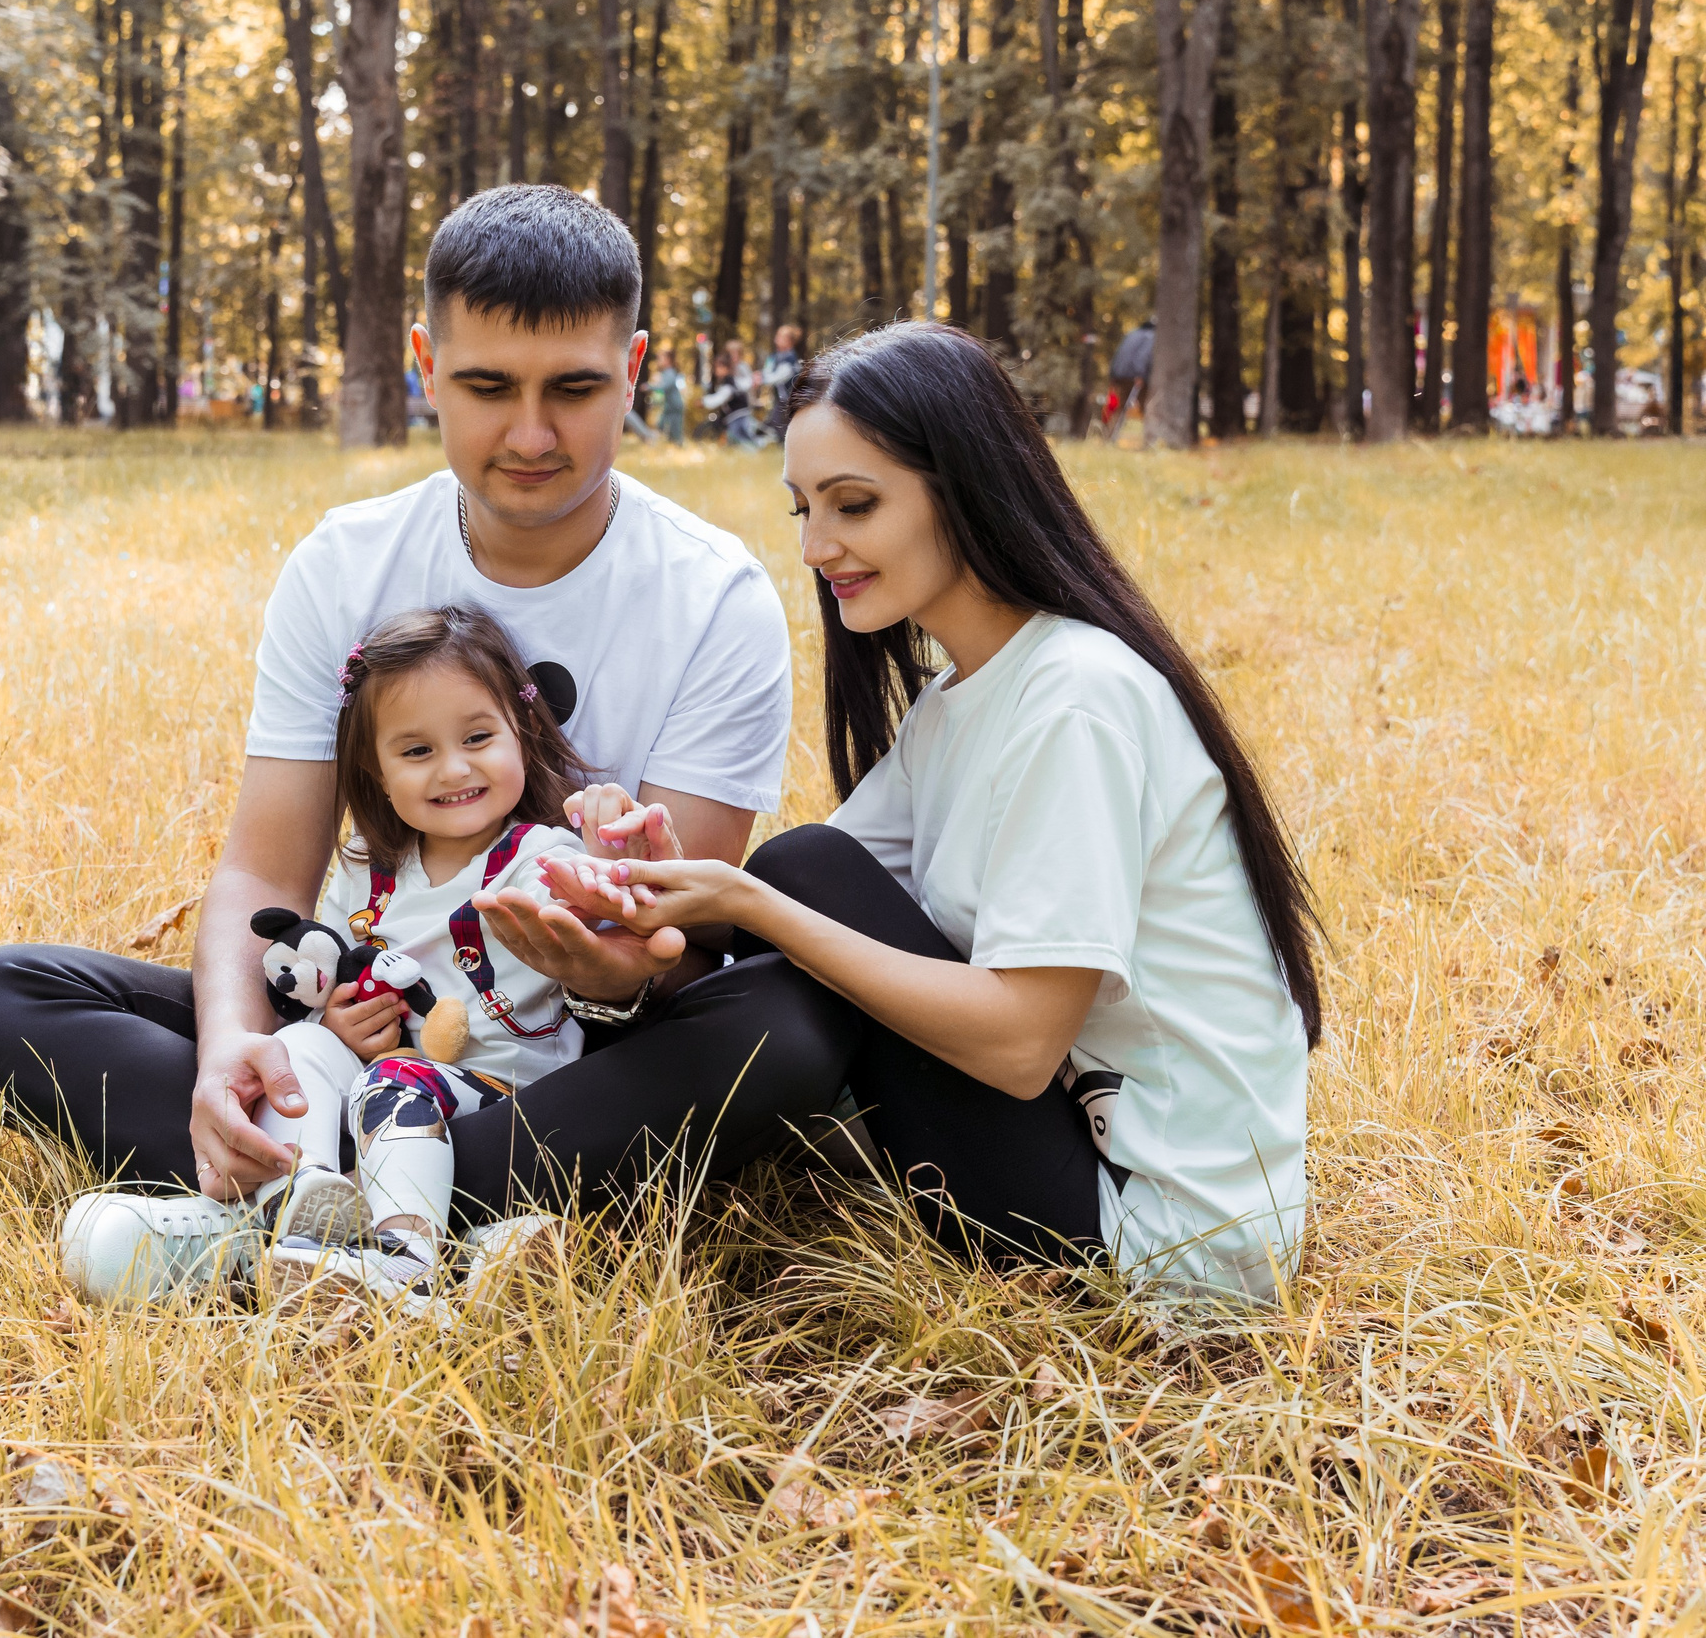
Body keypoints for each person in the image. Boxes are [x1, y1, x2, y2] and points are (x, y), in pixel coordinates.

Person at [0, 183, 842, 1301]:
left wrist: (602, 964)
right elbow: (266, 871)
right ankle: (426, 1224)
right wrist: (227, 1055)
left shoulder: (713, 595)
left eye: (574, 389)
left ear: (636, 370)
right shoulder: (345, 562)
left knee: (792, 1030)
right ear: (424, 363)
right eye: (485, 386)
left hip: (568, 1056)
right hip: (370, 1011)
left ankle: (278, 1220)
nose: (530, 434)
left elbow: (677, 943)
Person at [540, 321, 1321, 1299]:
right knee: (798, 883)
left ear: (961, 485)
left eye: (854, 505)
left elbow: (1020, 1043)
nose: (818, 547)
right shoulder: (965, 698)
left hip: (1159, 1239)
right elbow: (803, 900)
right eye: (803, 511)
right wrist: (650, 866)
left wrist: (747, 906)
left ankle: (459, 1176)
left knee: (790, 891)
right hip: (1077, 1159)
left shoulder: (1075, 698)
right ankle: (481, 1165)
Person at [223, 605, 600, 1312]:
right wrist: (336, 1020)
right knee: (294, 1043)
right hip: (371, 1097)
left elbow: (596, 929)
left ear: (521, 731)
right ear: (375, 767)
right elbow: (327, 968)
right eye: (417, 751)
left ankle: (408, 1261)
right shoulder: (368, 865)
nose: (454, 768)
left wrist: (607, 865)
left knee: (396, 1077)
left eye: (479, 737)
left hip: (502, 1097)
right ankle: (299, 1200)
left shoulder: (544, 858)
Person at [648, 348, 689, 442]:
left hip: (675, 405)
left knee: (676, 430)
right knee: (661, 425)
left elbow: (664, 387)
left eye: (660, 359)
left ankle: (679, 447)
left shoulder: (670, 373)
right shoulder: (665, 373)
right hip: (669, 405)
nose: (658, 361)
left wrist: (649, 386)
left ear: (668, 360)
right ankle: (671, 444)